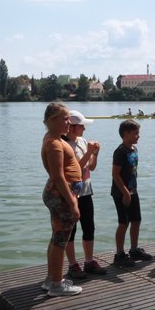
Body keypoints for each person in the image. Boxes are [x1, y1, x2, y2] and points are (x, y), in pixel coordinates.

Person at [40, 103, 83, 297]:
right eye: (65, 119)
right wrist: (72, 203)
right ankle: (56, 285)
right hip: (61, 196)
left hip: (59, 194)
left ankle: (51, 279)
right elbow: (58, 176)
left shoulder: (54, 138)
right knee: (60, 241)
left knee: (56, 237)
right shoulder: (54, 144)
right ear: (52, 120)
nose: (69, 123)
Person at [63, 110, 107, 279]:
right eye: (82, 126)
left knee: (89, 227)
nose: (84, 129)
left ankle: (89, 262)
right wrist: (89, 152)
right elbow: (75, 168)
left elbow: (91, 167)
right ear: (73, 127)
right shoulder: (64, 145)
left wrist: (95, 153)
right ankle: (73, 265)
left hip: (86, 191)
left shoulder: (82, 141)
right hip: (71, 193)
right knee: (71, 230)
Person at [111, 119, 152, 267]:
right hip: (121, 192)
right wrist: (125, 193)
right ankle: (119, 254)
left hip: (133, 191)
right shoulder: (120, 151)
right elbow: (115, 175)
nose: (138, 136)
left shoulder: (134, 149)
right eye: (136, 133)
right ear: (126, 133)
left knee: (136, 220)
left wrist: (131, 192)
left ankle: (134, 250)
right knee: (124, 223)